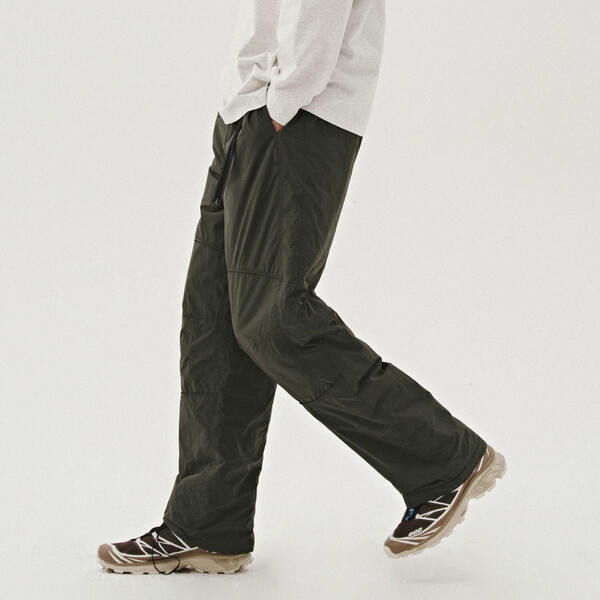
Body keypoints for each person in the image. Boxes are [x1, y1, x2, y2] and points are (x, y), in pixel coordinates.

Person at [97, 0, 505, 575]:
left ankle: (444, 460)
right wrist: (250, 103)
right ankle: (207, 524)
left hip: (297, 117)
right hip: (247, 115)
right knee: (214, 323)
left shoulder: (290, 107)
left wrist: (286, 98)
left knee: (275, 318)